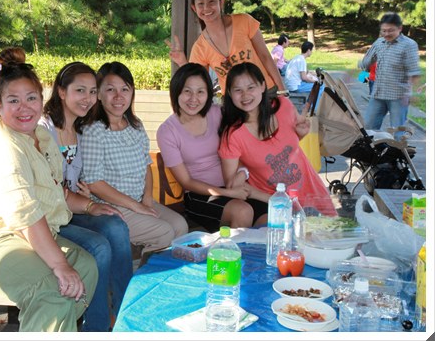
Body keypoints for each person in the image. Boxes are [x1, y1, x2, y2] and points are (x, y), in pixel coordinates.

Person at [0, 47, 98, 332]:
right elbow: (25, 215)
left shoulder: (41, 136)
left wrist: (91, 206)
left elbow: (56, 191)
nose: (24, 107)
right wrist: (60, 265)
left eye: (31, 98)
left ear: (42, 100)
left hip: (21, 233)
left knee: (86, 266)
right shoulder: (6, 146)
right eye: (13, 100)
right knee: (51, 291)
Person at [39, 61, 132, 332]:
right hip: (48, 218)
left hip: (73, 209)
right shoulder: (43, 131)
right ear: (61, 91)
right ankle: (97, 327)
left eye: (92, 92)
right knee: (99, 247)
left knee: (116, 224)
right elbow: (50, 188)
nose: (88, 98)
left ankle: (125, 314)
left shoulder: (82, 129)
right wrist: (88, 204)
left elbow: (80, 179)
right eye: (80, 90)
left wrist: (88, 197)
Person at [80, 61, 189, 256]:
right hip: (112, 206)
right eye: (110, 89)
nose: (118, 96)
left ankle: (166, 271)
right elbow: (94, 183)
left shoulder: (135, 125)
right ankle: (147, 273)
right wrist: (135, 206)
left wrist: (147, 199)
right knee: (163, 233)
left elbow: (146, 165)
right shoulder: (93, 131)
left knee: (180, 226)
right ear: (99, 94)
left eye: (125, 89)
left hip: (139, 200)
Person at [156, 63, 270, 230]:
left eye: (200, 92)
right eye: (187, 91)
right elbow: (186, 182)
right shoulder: (167, 131)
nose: (194, 99)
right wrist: (227, 193)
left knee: (269, 217)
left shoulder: (218, 113)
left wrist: (242, 172)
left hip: (234, 186)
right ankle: (233, 248)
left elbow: (241, 146)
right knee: (242, 211)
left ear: (208, 93)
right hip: (199, 195)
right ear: (176, 92)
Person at [218, 62, 336, 216]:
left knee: (333, 229)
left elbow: (285, 146)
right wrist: (246, 175)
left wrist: (301, 134)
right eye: (238, 90)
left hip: (312, 191)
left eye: (251, 87)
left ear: (262, 86)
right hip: (275, 206)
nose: (245, 95)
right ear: (229, 93)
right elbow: (233, 186)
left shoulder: (283, 106)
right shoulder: (233, 135)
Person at [167, 0, 286, 96]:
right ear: (194, 8)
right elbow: (198, 81)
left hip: (265, 92)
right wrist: (182, 62)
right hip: (234, 102)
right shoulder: (200, 47)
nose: (206, 8)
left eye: (211, 1)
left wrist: (282, 91)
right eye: (201, 4)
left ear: (221, 2)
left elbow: (265, 57)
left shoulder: (244, 21)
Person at [359, 12, 421, 140]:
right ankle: (374, 152)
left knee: (397, 132)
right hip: (378, 93)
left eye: (390, 30)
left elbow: (413, 72)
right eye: (384, 31)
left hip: (398, 96)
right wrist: (365, 61)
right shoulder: (379, 42)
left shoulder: (409, 45)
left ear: (400, 28)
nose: (386, 34)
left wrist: (411, 93)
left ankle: (396, 152)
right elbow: (365, 63)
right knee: (368, 128)